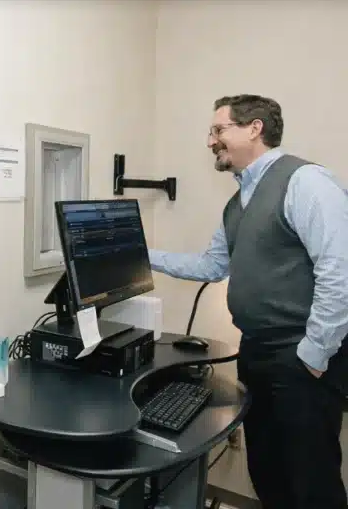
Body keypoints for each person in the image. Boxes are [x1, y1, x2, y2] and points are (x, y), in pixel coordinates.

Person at [149, 94, 348, 509]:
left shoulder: (305, 182)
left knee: (311, 483)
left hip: (302, 359)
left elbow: (340, 271)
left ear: (255, 128)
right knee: (268, 472)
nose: (210, 141)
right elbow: (210, 266)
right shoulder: (236, 203)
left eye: (219, 129)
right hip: (256, 352)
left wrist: (312, 355)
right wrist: (143, 255)